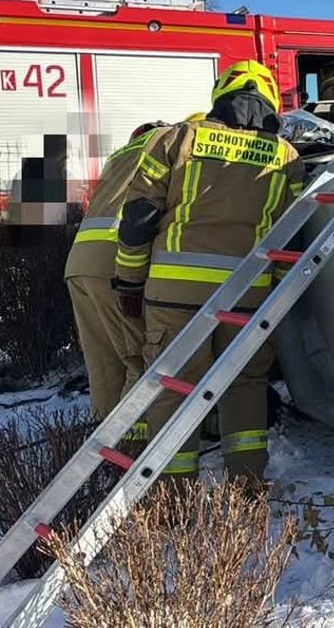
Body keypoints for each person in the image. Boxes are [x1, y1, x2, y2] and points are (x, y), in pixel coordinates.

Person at [113, 62, 304, 484]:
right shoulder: (286, 156)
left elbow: (139, 219)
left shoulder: (177, 138)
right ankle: (247, 491)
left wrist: (128, 279)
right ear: (269, 101)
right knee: (245, 385)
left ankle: (172, 497)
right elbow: (290, 234)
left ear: (220, 94)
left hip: (174, 295)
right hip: (247, 299)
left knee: (173, 388)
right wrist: (272, 290)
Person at [65, 121, 171, 428]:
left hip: (79, 263)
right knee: (137, 357)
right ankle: (131, 444)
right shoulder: (167, 147)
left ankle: (102, 448)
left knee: (103, 364)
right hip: (113, 260)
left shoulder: (123, 155)